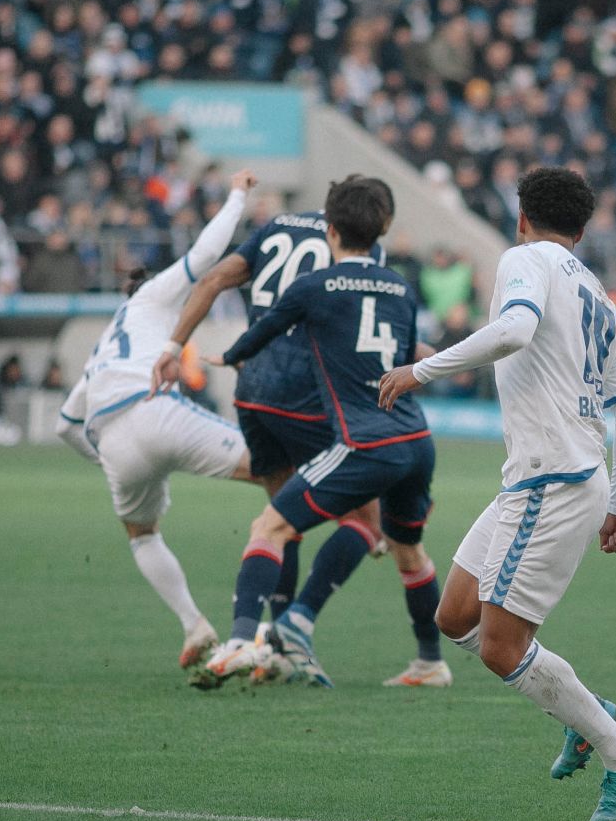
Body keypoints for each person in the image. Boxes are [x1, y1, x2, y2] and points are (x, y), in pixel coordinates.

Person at [376, 167, 616, 821]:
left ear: (522, 217)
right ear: (582, 229)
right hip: (546, 476)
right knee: (455, 615)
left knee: (502, 643)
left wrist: (421, 370)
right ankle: (589, 716)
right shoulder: (597, 294)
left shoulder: (524, 259)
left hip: (552, 478)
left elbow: (512, 331)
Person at [150, 178, 443, 688]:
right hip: (402, 434)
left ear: (331, 225)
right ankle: (422, 658)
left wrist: (208, 352)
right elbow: (399, 354)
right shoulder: (398, 285)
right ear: (384, 227)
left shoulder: (299, 261)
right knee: (388, 537)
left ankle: (264, 634)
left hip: (277, 404)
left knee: (275, 523)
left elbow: (236, 298)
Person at [55, 169, 264, 670]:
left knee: (143, 534)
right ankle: (281, 619)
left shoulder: (104, 342)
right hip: (153, 409)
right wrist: (237, 196)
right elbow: (205, 257)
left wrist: (104, 460)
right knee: (278, 475)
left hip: (114, 444)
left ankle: (194, 625)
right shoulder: (152, 297)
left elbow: (64, 424)